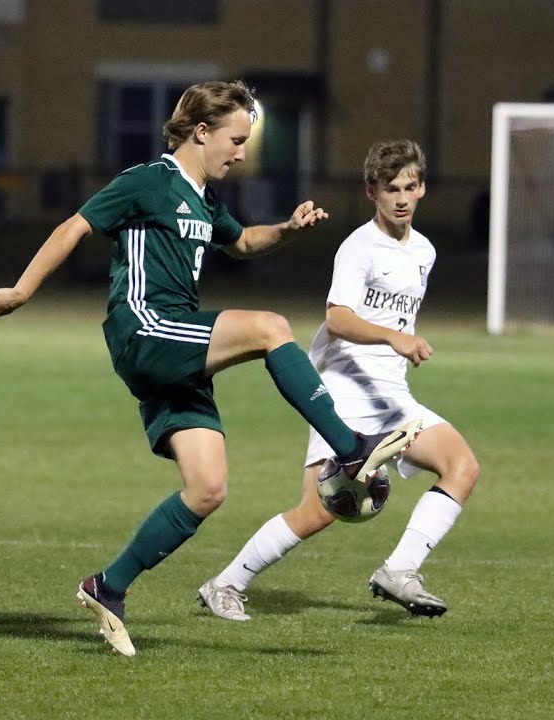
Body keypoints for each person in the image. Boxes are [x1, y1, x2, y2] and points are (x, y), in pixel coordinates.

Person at [0, 81, 422, 656]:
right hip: (146, 329)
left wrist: (287, 230)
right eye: (236, 140)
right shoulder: (149, 181)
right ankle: (350, 446)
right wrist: (22, 290)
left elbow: (240, 244)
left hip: (176, 350)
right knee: (271, 327)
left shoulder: (205, 197)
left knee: (207, 488)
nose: (241, 152)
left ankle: (107, 587)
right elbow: (75, 227)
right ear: (201, 131)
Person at [196, 139, 480, 621]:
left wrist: (396, 343)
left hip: (392, 395)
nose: (402, 198)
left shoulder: (424, 251)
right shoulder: (358, 248)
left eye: (410, 187)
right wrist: (395, 338)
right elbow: (339, 319)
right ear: (372, 191)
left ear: (423, 187)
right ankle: (226, 583)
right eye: (391, 188)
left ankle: (400, 570)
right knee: (319, 510)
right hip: (345, 391)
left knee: (463, 467)